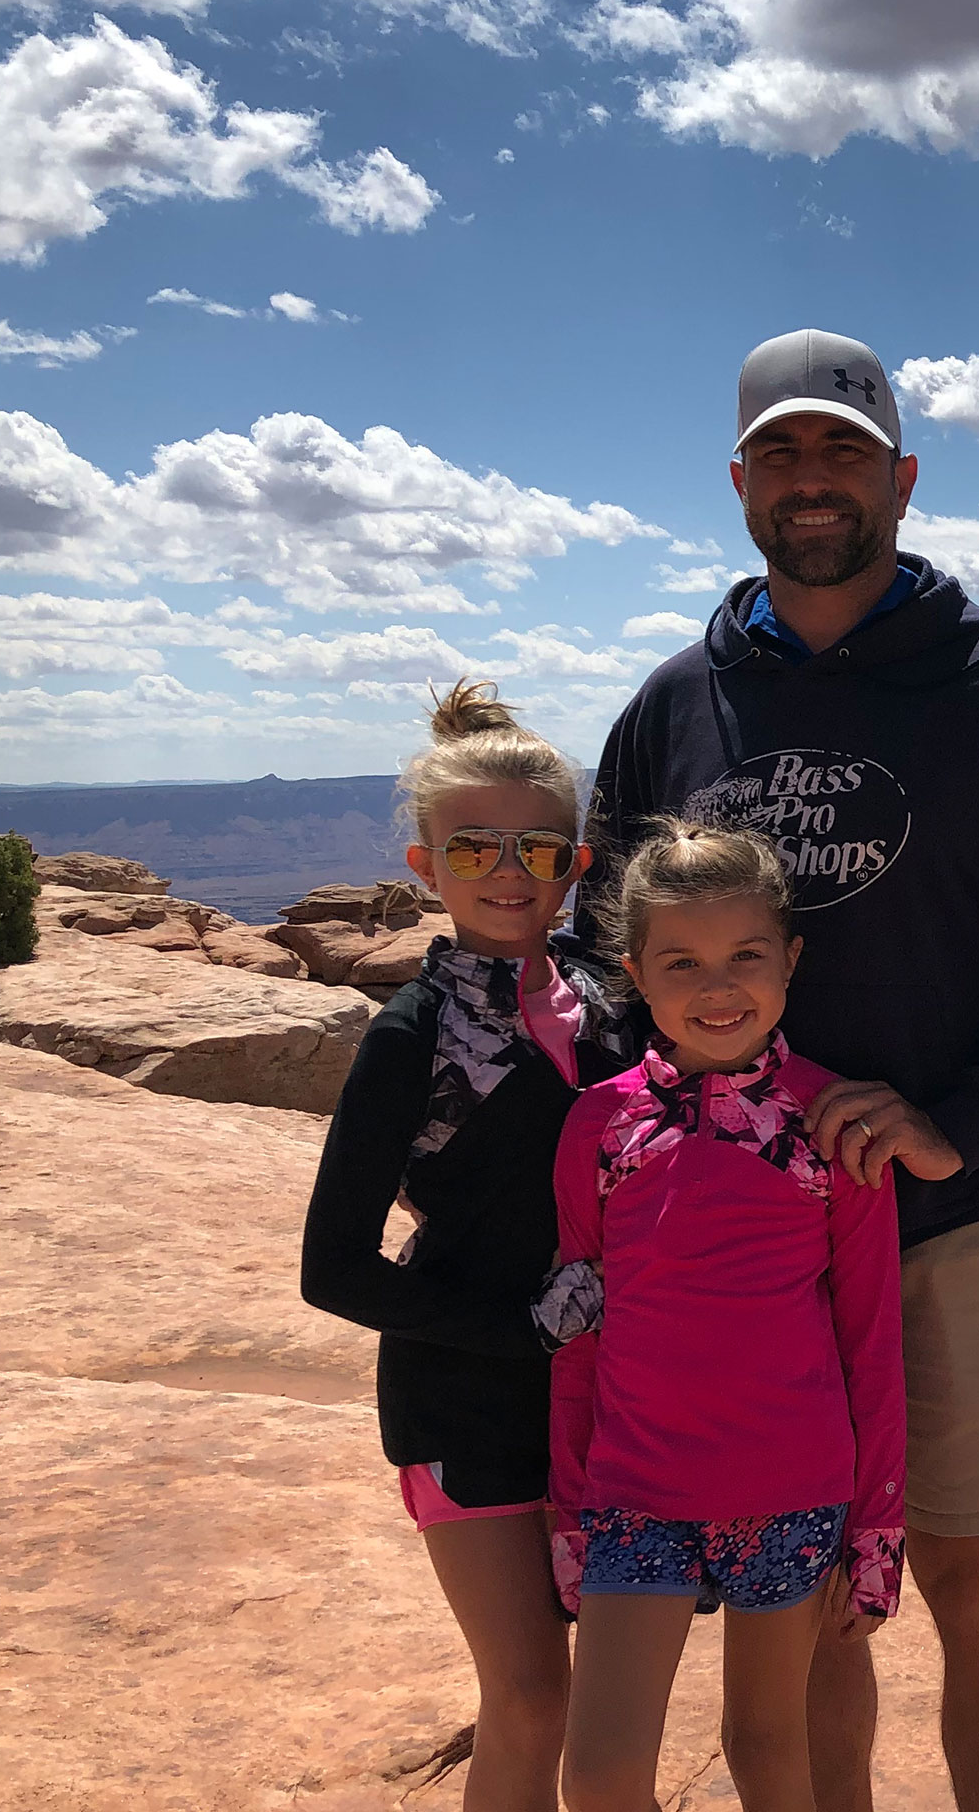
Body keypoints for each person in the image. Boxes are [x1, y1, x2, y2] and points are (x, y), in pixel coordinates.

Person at [576, 329, 979, 1811]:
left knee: (974, 1573)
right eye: (780, 452)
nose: (811, 479)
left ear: (901, 477)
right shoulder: (674, 707)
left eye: (842, 449)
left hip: (950, 1220)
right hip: (745, 1250)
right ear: (737, 484)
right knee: (810, 1596)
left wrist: (958, 1126)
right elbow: (604, 955)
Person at [301, 681, 633, 1812]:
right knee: (532, 1696)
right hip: (464, 1401)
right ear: (423, 865)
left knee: (592, 1696)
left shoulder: (609, 1002)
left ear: (576, 868)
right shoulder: (408, 1039)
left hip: (608, 1400)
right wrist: (521, 1331)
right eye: (474, 846)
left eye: (539, 849)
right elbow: (333, 1268)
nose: (507, 871)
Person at [543, 820, 906, 1812]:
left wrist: (876, 1523)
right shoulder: (599, 1127)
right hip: (634, 1489)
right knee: (603, 1775)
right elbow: (580, 1329)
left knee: (768, 1750)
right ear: (635, 977)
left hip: (790, 1490)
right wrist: (567, 1502)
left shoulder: (834, 1124)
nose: (719, 987)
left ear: (791, 959)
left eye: (747, 956)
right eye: (683, 963)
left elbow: (871, 1340)